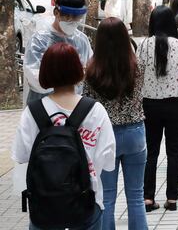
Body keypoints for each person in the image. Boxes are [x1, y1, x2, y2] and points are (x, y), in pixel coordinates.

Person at [12, 42, 116, 230]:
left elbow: (21, 156)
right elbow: (108, 161)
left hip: (44, 205)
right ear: (78, 69)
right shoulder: (95, 110)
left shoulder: (33, 112)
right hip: (86, 202)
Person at [83, 17, 148, 230]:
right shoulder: (137, 68)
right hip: (134, 132)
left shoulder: (91, 72)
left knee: (107, 197)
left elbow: (87, 105)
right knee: (136, 196)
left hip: (104, 136)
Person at [139, 6, 178, 212]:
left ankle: (148, 198)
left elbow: (138, 74)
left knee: (150, 152)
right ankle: (172, 199)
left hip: (149, 104)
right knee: (174, 152)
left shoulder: (143, 45)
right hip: (175, 104)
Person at [24, 0, 92, 104]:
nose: (73, 21)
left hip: (73, 107)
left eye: (77, 17)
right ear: (56, 12)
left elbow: (90, 67)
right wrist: (69, 81)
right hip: (43, 106)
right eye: (68, 17)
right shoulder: (39, 40)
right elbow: (34, 77)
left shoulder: (81, 40)